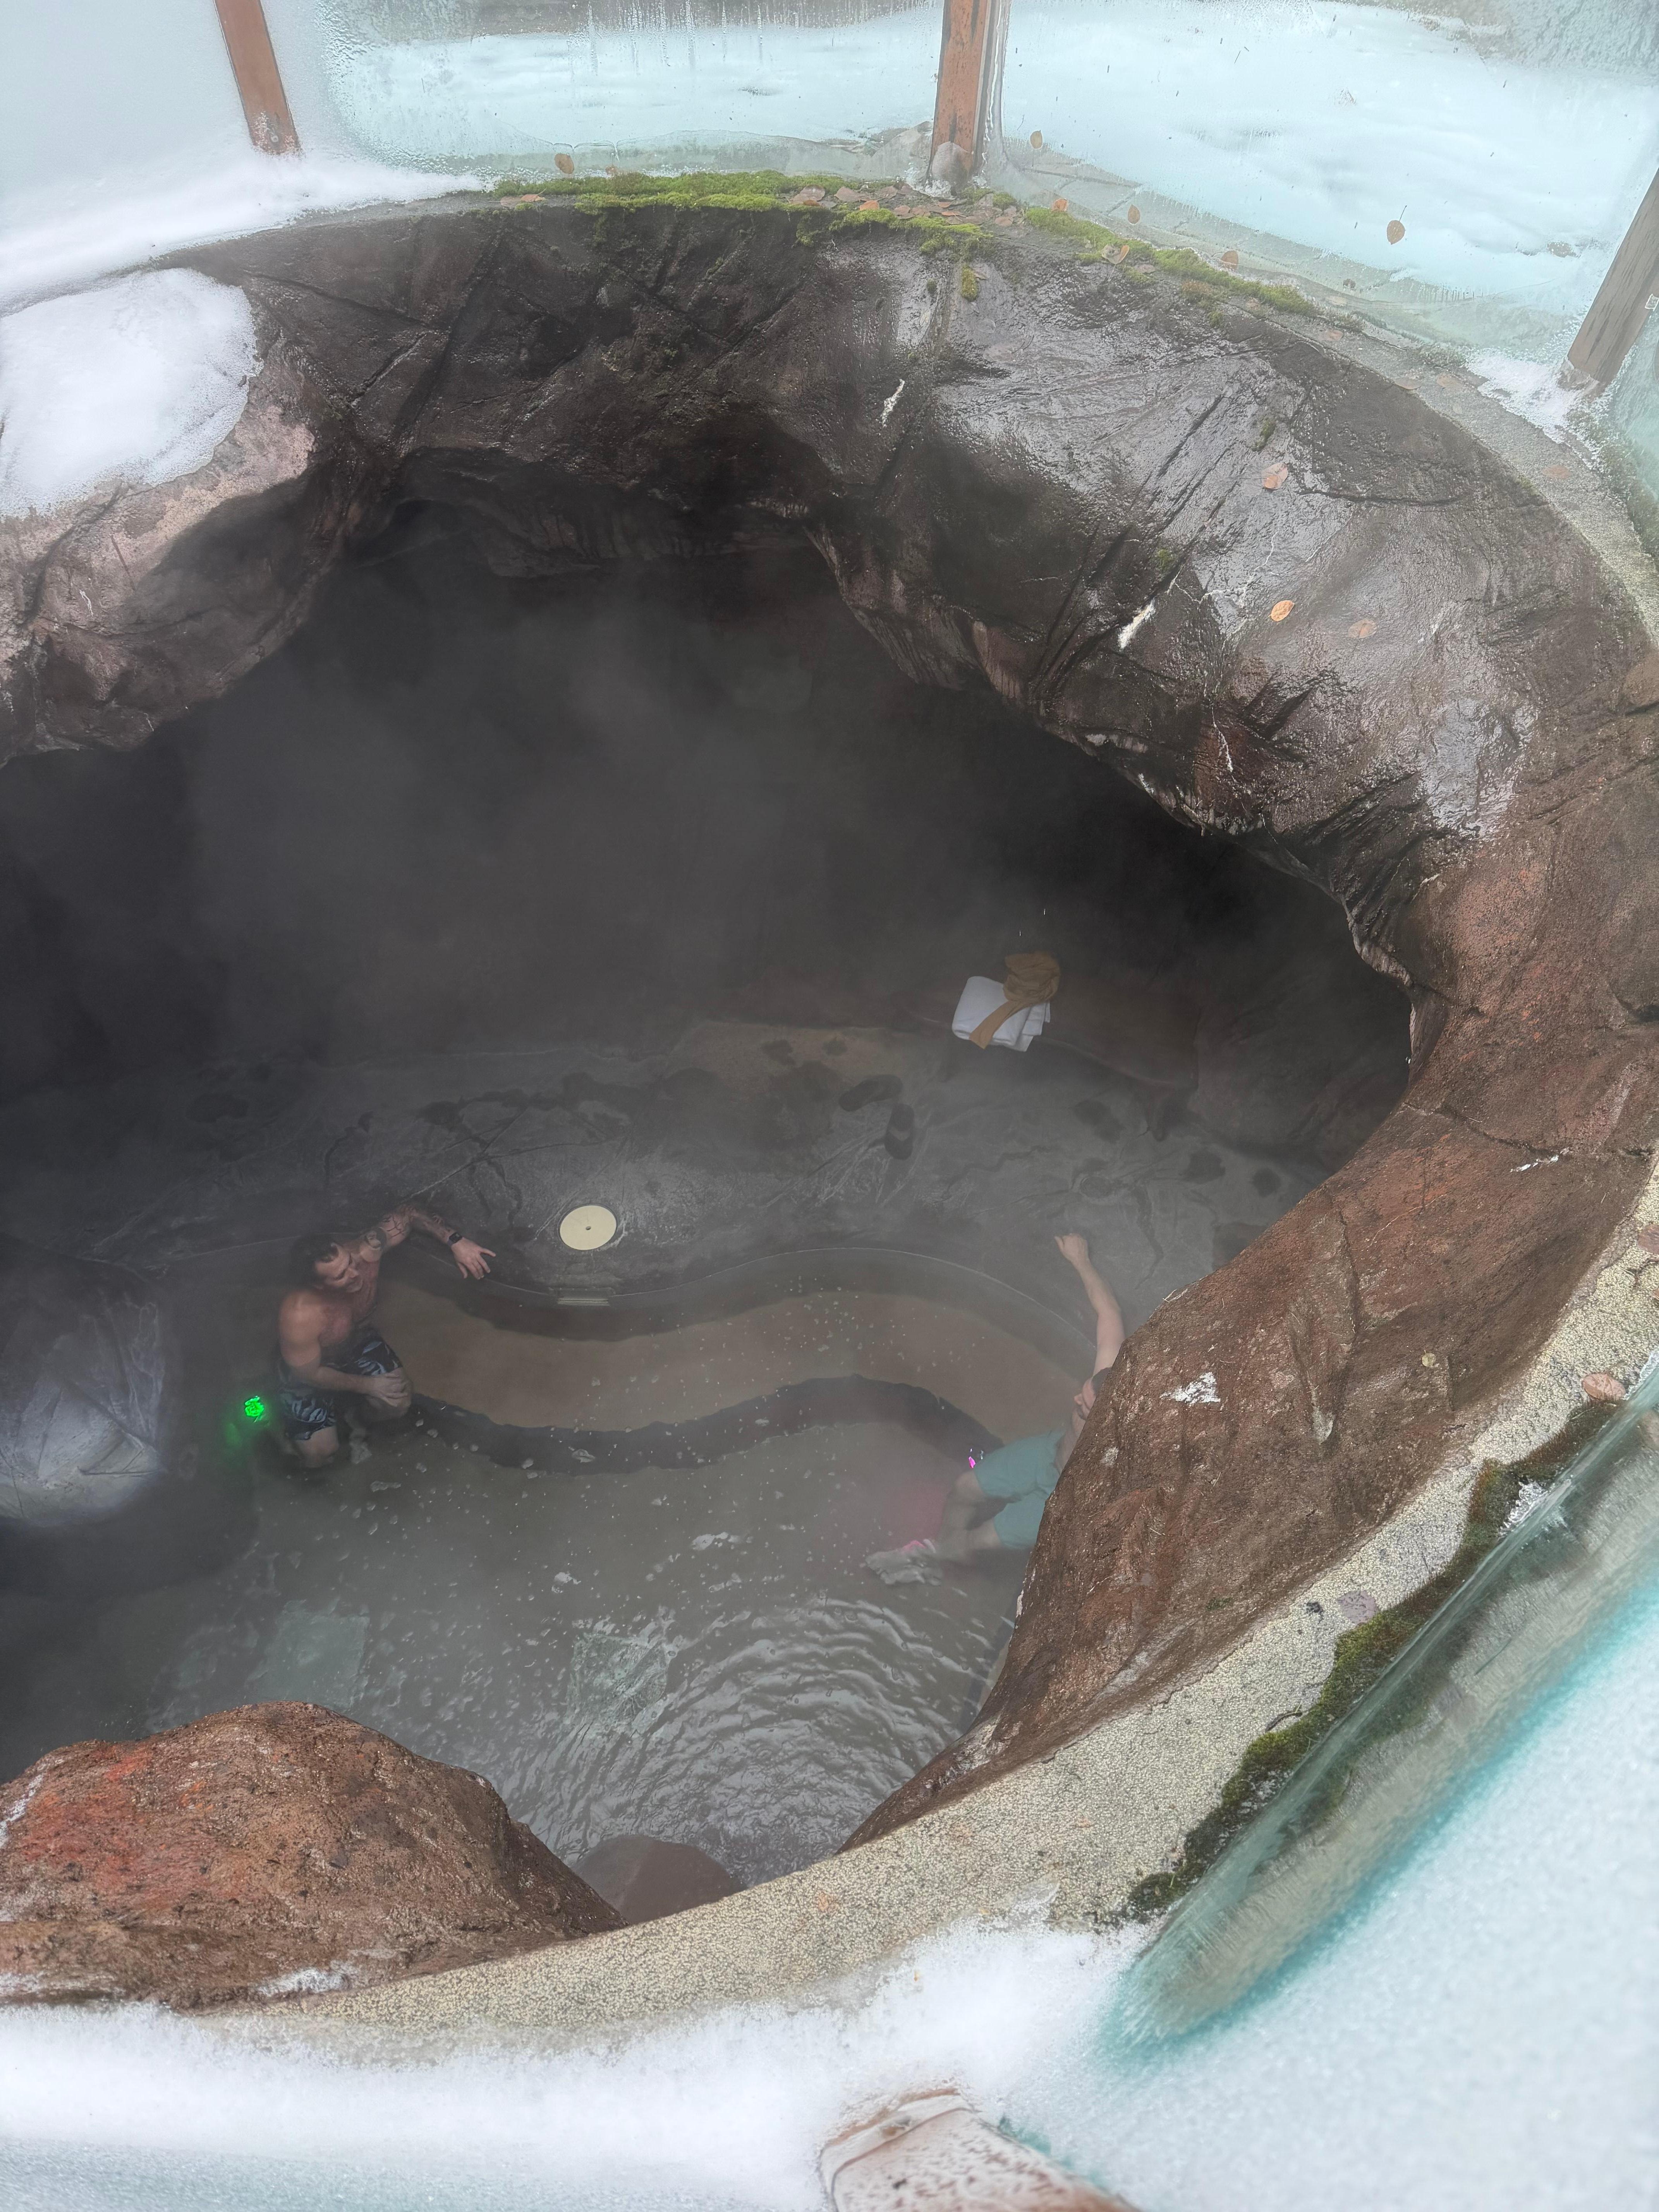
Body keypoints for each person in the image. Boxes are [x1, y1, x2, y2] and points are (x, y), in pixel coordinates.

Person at [867, 1233, 1124, 1583]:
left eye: (1084, 1409)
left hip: (1065, 1497)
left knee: (981, 1539)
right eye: (1083, 1394)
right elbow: (1109, 1312)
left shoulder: (1123, 1440)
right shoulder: (1112, 1380)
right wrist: (1081, 1261)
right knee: (964, 1488)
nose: (1076, 1401)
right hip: (1047, 1455)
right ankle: (946, 1548)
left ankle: (936, 1557)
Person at [275, 1202, 494, 1468]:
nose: (355, 1273)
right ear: (318, 1285)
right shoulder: (300, 1315)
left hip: (358, 1342)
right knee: (320, 1455)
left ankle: (358, 1422)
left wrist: (456, 1242)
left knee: (398, 1403)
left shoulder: (366, 1251)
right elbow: (308, 1374)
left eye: (349, 1261)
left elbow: (408, 1213)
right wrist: (369, 1386)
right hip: (314, 1367)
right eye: (342, 1275)